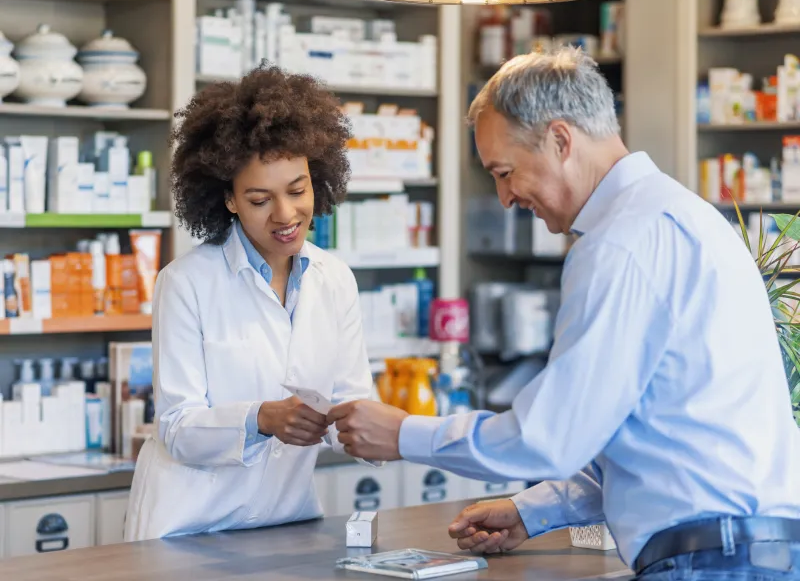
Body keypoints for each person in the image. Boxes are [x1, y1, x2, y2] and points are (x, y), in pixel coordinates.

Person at [326, 47, 800, 580]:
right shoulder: (684, 215)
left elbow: (549, 436)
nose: (504, 198)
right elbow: (645, 436)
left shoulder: (619, 243)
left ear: (559, 140)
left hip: (711, 561)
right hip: (750, 551)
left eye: (505, 172)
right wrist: (533, 511)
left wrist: (405, 434)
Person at [124, 65, 373, 541]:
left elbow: (352, 404)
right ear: (230, 200)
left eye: (298, 190)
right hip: (188, 530)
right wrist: (261, 419)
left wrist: (381, 431)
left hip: (287, 521)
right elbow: (176, 426)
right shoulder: (185, 283)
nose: (286, 214)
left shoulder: (335, 280)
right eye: (260, 199)